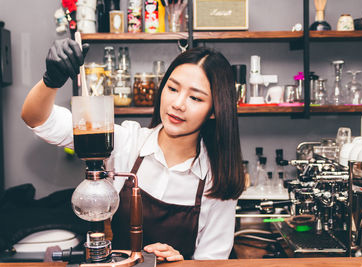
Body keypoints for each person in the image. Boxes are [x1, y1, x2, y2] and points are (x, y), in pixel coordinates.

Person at [21, 39, 245, 261]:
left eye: (195, 97)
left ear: (215, 110)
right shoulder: (125, 142)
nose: (178, 103)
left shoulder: (218, 180)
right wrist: (51, 81)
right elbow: (38, 120)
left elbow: (212, 261)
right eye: (172, 88)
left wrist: (180, 262)